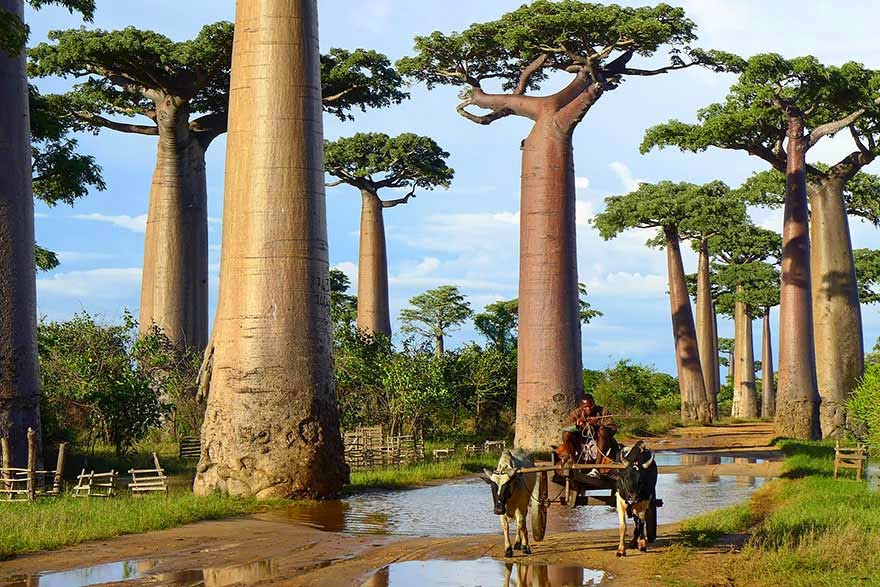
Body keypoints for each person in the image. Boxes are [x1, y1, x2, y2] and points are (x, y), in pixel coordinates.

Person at [559, 394, 618, 468]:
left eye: (590, 406)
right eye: (585, 407)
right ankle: (574, 463)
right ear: (581, 407)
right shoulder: (576, 413)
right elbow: (564, 428)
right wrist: (576, 425)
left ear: (594, 404)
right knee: (566, 434)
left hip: (599, 443)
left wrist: (598, 425)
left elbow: (613, 428)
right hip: (581, 444)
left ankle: (597, 466)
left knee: (602, 432)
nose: (588, 408)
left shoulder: (603, 411)